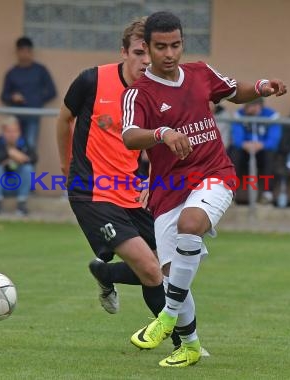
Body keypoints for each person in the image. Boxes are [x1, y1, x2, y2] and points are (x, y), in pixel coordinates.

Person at [121, 11, 287, 367]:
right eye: (161, 47)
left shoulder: (200, 73)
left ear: (183, 43)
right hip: (168, 189)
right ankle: (191, 346)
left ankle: (166, 318)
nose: (170, 53)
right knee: (170, 275)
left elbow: (232, 91)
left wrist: (260, 88)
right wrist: (162, 133)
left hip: (215, 173)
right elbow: (130, 136)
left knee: (192, 223)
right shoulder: (139, 94)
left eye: (176, 45)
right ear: (148, 48)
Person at [55, 18, 184, 351]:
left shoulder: (153, 94)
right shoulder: (92, 81)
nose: (146, 60)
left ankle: (106, 273)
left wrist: (152, 181)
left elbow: (157, 143)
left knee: (171, 265)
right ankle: (184, 343)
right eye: (139, 52)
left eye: (150, 53)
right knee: (152, 271)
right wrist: (64, 165)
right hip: (92, 193)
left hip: (131, 191)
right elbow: (63, 119)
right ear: (124, 52)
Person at [1, 36, 57, 151]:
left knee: (30, 146)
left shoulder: (40, 70)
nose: (25, 54)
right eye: (22, 51)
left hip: (33, 114)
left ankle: (29, 170)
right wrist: (13, 97)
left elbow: (52, 92)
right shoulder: (12, 73)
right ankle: (16, 170)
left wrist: (36, 100)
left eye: (27, 51)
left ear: (31, 52)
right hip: (16, 116)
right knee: (15, 147)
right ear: (17, 52)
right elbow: (3, 96)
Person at [229, 97, 282, 204]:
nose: (244, 108)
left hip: (262, 150)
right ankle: (231, 194)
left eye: (247, 106)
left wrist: (262, 145)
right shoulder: (239, 114)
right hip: (245, 150)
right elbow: (236, 137)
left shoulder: (271, 115)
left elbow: (274, 139)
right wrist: (244, 144)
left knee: (271, 155)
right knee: (234, 153)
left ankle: (267, 195)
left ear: (257, 106)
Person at [0, 116, 37, 216]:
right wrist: (9, 153)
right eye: (9, 131)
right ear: (3, 132)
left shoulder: (24, 144)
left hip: (17, 185)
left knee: (28, 168)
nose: (12, 134)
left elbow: (34, 159)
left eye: (15, 131)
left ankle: (21, 205)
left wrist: (22, 158)